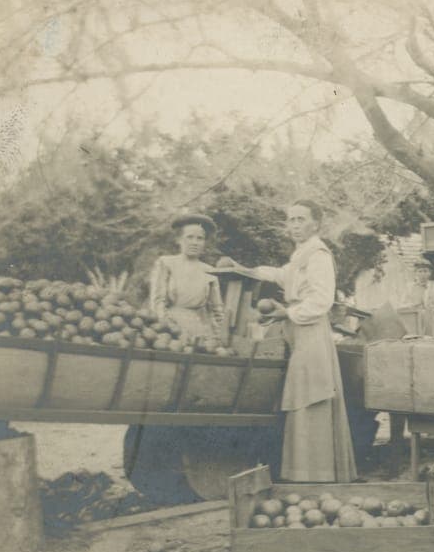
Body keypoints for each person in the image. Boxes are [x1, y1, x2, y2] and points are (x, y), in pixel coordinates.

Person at [240, 201, 357, 483]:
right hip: (297, 330)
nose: (293, 225)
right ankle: (303, 471)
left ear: (316, 224)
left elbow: (321, 300)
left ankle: (318, 473)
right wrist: (247, 270)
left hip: (312, 331)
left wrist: (288, 313)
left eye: (300, 219)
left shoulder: (318, 255)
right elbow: (283, 275)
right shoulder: (300, 254)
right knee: (301, 394)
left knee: (311, 395)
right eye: (290, 219)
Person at [150, 214, 224, 343]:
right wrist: (165, 326)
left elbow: (217, 310)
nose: (194, 242)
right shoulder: (166, 263)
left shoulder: (210, 271)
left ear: (204, 242)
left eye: (200, 238)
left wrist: (220, 335)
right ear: (179, 239)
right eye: (189, 237)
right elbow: (157, 301)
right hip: (170, 328)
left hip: (198, 329)